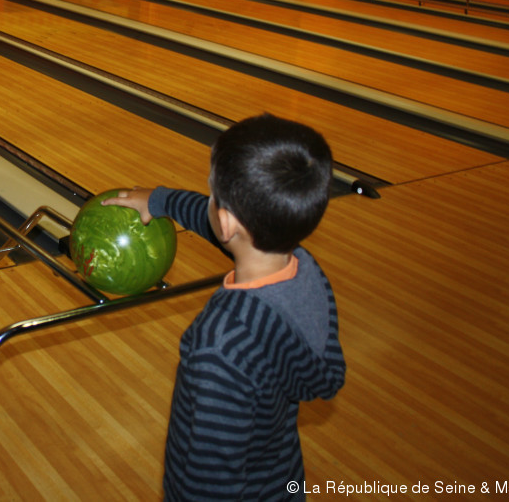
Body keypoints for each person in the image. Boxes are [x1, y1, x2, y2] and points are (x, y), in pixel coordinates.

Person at [103, 113, 346, 500]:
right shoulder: (305, 271)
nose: (210, 200)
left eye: (211, 193)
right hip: (279, 477)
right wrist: (160, 200)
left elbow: (205, 475)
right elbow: (226, 227)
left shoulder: (219, 345)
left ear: (228, 221)